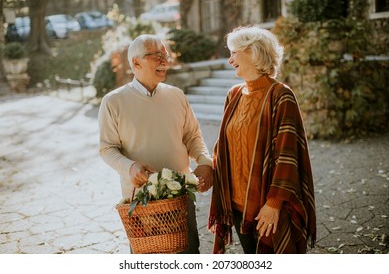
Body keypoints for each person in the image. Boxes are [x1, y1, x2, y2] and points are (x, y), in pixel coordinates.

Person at [98, 34, 213, 254]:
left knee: (188, 255)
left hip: (180, 198)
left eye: (165, 55)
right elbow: (107, 148)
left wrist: (205, 161)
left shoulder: (177, 96)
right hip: (142, 202)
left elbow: (193, 136)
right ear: (136, 63)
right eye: (156, 55)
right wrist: (130, 167)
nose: (164, 60)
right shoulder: (112, 102)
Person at [208, 26, 316, 254]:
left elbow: (288, 155)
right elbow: (224, 148)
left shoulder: (280, 95)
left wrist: (274, 203)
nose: (230, 60)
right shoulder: (234, 94)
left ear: (252, 52)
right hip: (237, 206)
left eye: (234, 53)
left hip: (268, 207)